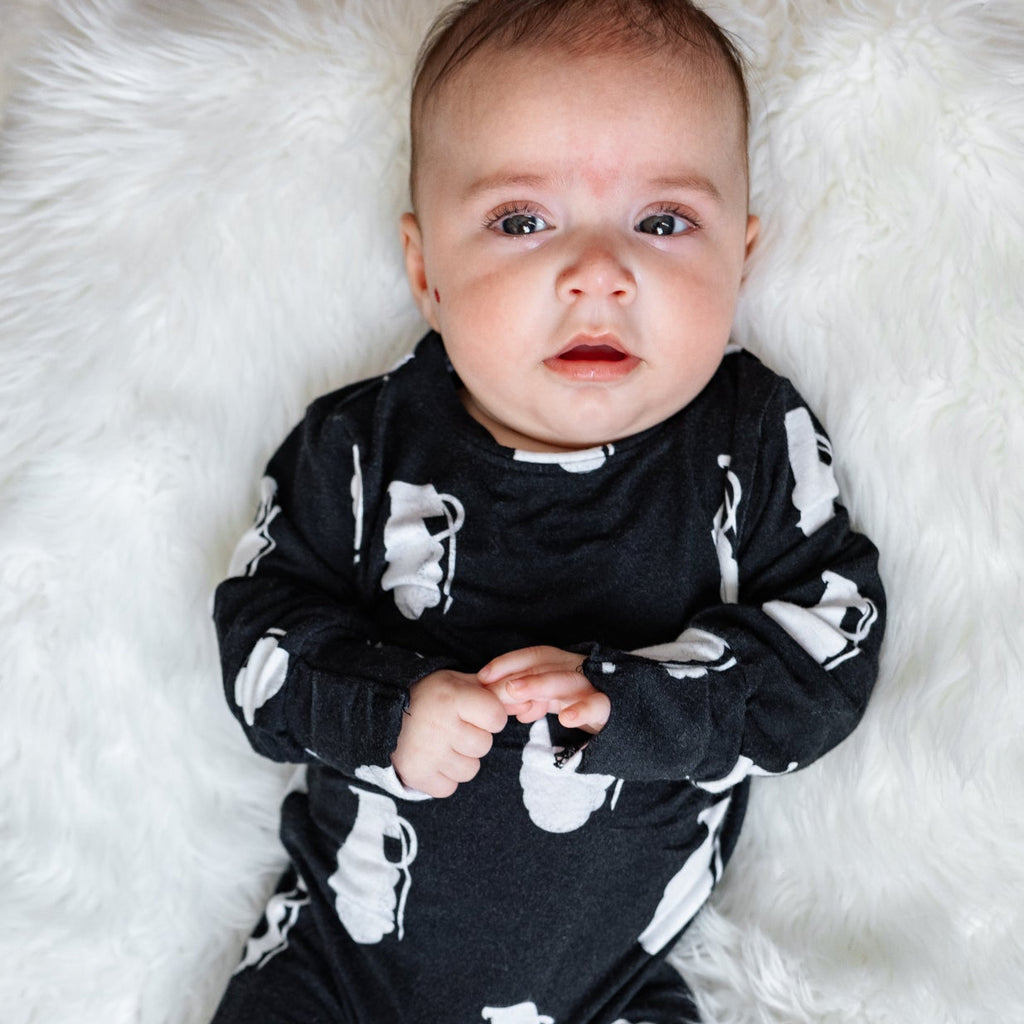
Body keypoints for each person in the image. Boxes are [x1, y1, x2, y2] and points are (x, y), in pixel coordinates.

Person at [210, 0, 886, 1021]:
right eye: (522, 221)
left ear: (740, 258)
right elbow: (259, 654)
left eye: (664, 222)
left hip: (609, 987)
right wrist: (391, 709)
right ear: (425, 268)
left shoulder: (747, 438)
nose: (600, 273)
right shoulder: (357, 444)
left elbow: (827, 657)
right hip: (337, 966)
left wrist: (635, 705)